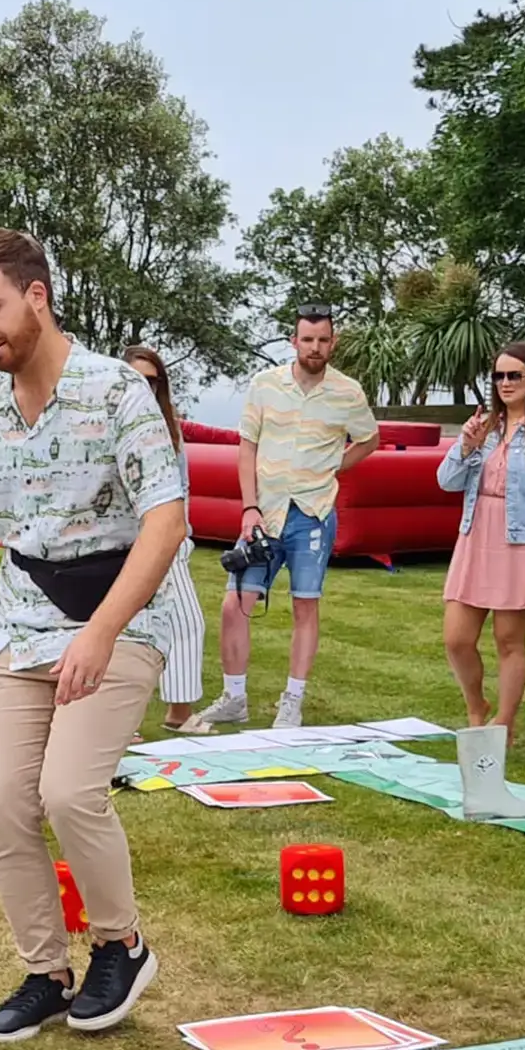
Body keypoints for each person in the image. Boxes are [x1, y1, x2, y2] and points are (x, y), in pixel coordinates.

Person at [0, 229, 187, 1042]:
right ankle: (45, 970)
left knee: (68, 793)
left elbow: (167, 519)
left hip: (118, 620)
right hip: (17, 629)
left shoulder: (115, 391)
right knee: (4, 802)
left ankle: (122, 943)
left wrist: (103, 632)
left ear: (37, 296)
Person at [191, 304, 379, 731]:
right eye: (307, 339)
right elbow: (247, 448)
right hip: (263, 514)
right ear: (293, 341)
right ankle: (234, 697)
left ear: (333, 342)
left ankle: (292, 701)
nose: (315, 347)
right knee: (235, 604)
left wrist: (334, 466)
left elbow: (370, 439)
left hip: (312, 514)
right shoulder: (264, 385)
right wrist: (249, 507)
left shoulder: (348, 393)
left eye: (323, 340)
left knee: (304, 606)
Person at [437, 341, 525, 740]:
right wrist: (465, 446)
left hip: (521, 544)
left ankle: (504, 722)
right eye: (498, 375)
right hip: (475, 537)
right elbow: (447, 482)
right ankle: (475, 706)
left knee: (509, 639)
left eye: (514, 375)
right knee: (456, 638)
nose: (505, 383)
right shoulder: (484, 428)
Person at [121, 344, 207, 731]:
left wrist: (182, 538)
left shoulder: (170, 428)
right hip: (119, 544)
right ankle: (121, 721)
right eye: (138, 379)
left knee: (187, 621)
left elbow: (182, 488)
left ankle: (179, 712)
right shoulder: (107, 421)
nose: (146, 388)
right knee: (122, 630)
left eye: (153, 382)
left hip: (167, 541)